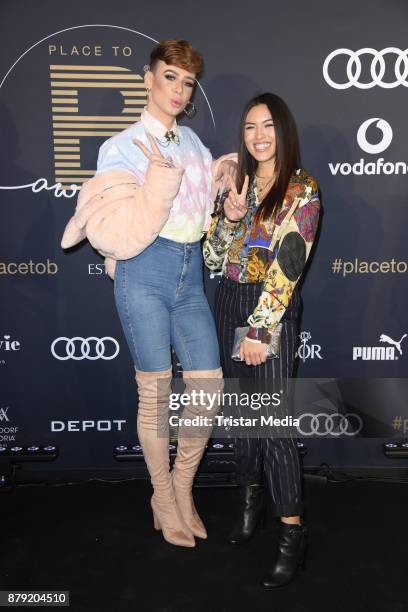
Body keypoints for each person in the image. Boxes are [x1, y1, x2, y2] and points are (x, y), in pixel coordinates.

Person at [61, 39, 236, 548]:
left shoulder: (193, 144)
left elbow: (204, 213)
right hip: (145, 271)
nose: (179, 90)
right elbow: (114, 227)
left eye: (187, 82)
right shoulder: (122, 146)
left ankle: (183, 490)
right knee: (156, 394)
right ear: (148, 78)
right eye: (170, 77)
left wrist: (221, 177)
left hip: (189, 276)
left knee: (208, 385)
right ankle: (161, 495)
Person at [203, 92, 320, 587]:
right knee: (244, 421)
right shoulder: (237, 183)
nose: (259, 136)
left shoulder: (302, 189)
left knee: (273, 426)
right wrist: (228, 218)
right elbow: (213, 258)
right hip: (228, 299)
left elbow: (290, 262)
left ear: (283, 130)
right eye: (250, 127)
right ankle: (250, 501)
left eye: (267, 125)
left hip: (266, 312)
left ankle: (292, 530)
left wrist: (261, 328)